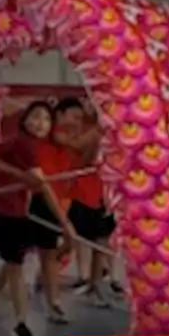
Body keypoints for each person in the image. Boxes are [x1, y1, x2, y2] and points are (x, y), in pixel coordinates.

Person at [0, 101, 77, 336]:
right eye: (36, 117)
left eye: (46, 119)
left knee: (15, 266)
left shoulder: (34, 146)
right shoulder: (20, 142)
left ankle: (21, 321)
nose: (40, 123)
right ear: (24, 120)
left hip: (15, 211)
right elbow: (41, 186)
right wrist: (66, 225)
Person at [52, 98, 115, 308]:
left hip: (101, 192)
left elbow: (89, 156)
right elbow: (80, 149)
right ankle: (48, 270)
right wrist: (100, 129)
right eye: (74, 116)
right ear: (61, 115)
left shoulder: (90, 131)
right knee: (71, 241)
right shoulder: (57, 133)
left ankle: (95, 285)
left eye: (80, 117)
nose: (78, 120)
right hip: (77, 193)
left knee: (101, 242)